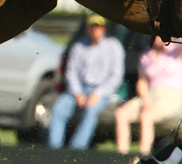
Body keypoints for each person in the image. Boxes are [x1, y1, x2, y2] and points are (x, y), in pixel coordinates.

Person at [47, 14, 124, 150]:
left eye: (99, 27)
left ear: (104, 29)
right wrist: (77, 93)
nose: (96, 30)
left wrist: (98, 93)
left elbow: (116, 76)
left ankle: (77, 149)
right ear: (88, 29)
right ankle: (54, 148)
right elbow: (71, 72)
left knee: (90, 111)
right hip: (79, 89)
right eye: (93, 27)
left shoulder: (113, 46)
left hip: (102, 92)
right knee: (58, 109)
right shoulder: (79, 46)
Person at [114, 36, 182, 156]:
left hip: (171, 95)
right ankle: (121, 153)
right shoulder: (146, 55)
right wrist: (145, 100)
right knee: (121, 113)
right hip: (150, 94)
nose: (158, 38)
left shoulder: (176, 50)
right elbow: (142, 82)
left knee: (146, 116)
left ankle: (144, 154)